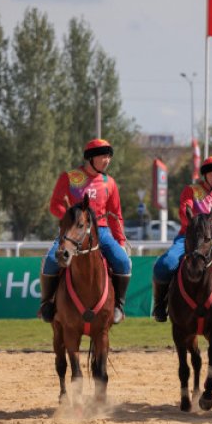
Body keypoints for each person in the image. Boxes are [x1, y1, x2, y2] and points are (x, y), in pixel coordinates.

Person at [40, 139, 132, 324]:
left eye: (109, 157)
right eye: (103, 156)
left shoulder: (110, 183)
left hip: (102, 231)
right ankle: (48, 303)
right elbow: (54, 204)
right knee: (50, 261)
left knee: (123, 262)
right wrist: (70, 218)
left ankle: (118, 306)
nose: (107, 160)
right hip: (75, 231)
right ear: (90, 158)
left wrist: (121, 242)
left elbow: (116, 215)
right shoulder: (69, 177)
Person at [151, 156, 212, 322]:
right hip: (188, 238)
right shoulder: (191, 190)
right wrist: (197, 230)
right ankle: (160, 305)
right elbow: (184, 212)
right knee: (164, 265)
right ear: (205, 175)